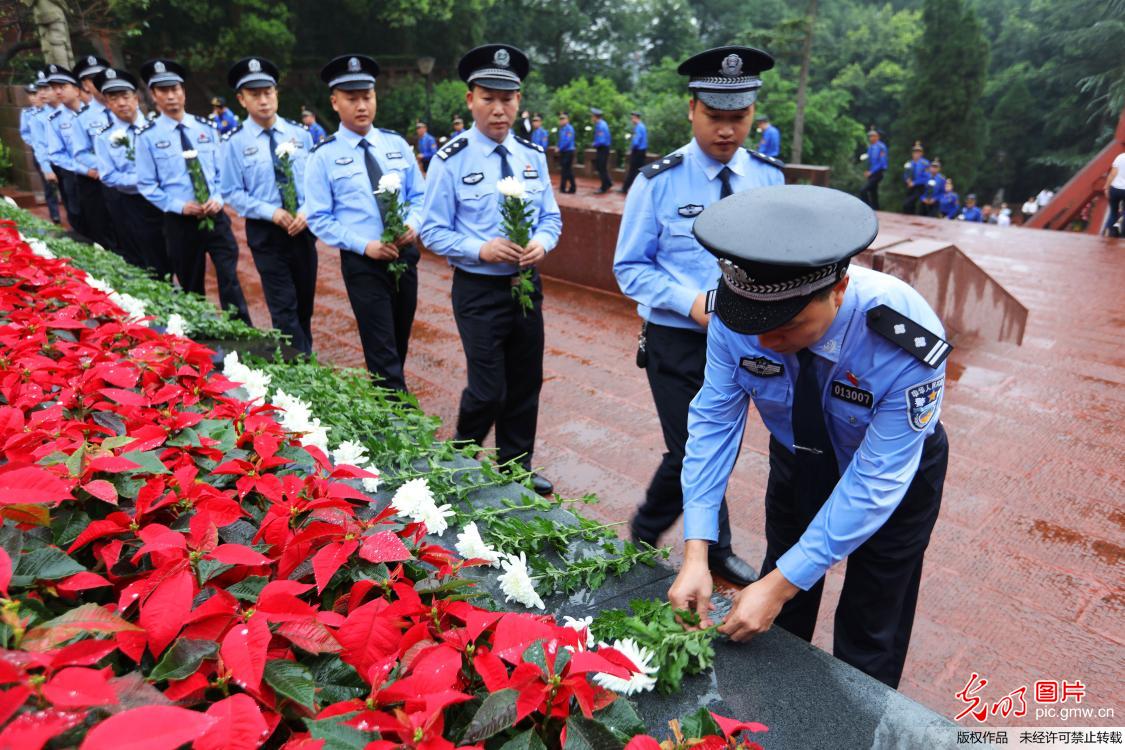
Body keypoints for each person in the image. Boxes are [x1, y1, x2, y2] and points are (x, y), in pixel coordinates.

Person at [668, 184, 951, 690]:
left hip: (892, 469)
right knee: (777, 615)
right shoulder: (737, 317)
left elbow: (874, 480)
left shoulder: (904, 337)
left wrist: (778, 585)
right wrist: (696, 551)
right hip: (799, 456)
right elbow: (714, 422)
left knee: (872, 620)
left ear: (837, 290)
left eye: (787, 326)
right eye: (752, 325)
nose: (763, 342)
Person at [614, 44, 784, 587]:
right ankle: (710, 548)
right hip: (678, 338)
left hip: (748, 341)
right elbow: (629, 268)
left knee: (716, 445)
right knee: (695, 445)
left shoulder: (768, 179)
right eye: (716, 116)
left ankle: (649, 523)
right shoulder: (657, 181)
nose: (728, 130)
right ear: (692, 109)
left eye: (739, 117)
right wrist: (690, 302)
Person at [420, 43, 562, 496]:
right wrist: (481, 249)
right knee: (488, 389)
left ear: (519, 101)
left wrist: (540, 243)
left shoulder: (531, 157)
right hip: (478, 290)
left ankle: (515, 468)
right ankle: (460, 461)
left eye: (507, 99)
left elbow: (551, 218)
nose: (498, 110)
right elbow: (432, 231)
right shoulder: (451, 159)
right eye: (488, 98)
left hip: (526, 285)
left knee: (525, 382)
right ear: (470, 100)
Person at [304, 54, 425, 391]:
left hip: (404, 258)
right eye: (351, 98)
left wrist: (413, 224)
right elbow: (318, 218)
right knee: (381, 348)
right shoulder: (323, 156)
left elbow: (420, 196)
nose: (361, 105)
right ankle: (400, 424)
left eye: (367, 97)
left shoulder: (396, 144)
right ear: (335, 102)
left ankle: (385, 403)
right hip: (363, 264)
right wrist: (364, 245)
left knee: (399, 341)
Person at [135, 58, 252, 325]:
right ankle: (201, 334)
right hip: (181, 221)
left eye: (175, 89)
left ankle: (243, 328)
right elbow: (147, 184)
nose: (171, 96)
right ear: (154, 95)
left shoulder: (206, 128)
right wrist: (178, 206)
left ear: (183, 92)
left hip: (215, 216)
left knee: (229, 276)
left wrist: (218, 198)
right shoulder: (147, 137)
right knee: (191, 283)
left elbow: (223, 172)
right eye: (164, 91)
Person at [221, 57, 318, 355]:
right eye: (254, 94)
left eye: (268, 92)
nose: (263, 101)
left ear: (276, 93)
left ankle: (304, 358)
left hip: (302, 229)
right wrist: (271, 211)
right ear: (241, 99)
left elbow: (317, 183)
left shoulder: (300, 135)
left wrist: (307, 210)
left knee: (304, 305)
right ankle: (300, 369)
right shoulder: (234, 143)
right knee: (283, 307)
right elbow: (231, 192)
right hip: (267, 234)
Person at [92, 68, 171, 277]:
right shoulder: (104, 137)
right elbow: (108, 175)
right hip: (135, 204)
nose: (121, 103)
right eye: (113, 98)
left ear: (135, 98)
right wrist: (144, 181)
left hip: (166, 201)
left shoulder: (158, 128)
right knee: (148, 258)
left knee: (177, 252)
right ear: (107, 103)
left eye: (125, 96)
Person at [43, 64, 88, 236]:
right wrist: (79, 167)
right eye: (54, 88)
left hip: (101, 175)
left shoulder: (92, 114)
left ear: (76, 89)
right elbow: (55, 153)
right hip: (73, 174)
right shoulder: (54, 119)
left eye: (62, 87)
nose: (58, 92)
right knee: (77, 215)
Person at [19, 78, 62, 224]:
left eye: (35, 93)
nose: (33, 97)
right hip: (40, 153)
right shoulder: (28, 113)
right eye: (30, 94)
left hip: (57, 153)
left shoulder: (54, 111)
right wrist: (35, 143)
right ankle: (55, 214)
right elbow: (25, 132)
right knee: (48, 186)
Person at [858, 127, 887, 210]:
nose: (871, 138)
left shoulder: (881, 147)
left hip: (878, 173)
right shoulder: (870, 147)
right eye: (870, 136)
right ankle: (876, 209)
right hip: (871, 172)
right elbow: (869, 161)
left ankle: (866, 208)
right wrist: (867, 170)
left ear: (877, 137)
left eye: (873, 136)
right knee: (873, 192)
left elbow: (882, 163)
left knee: (863, 190)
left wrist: (871, 172)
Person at [620, 110, 648, 194]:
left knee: (632, 171)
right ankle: (638, 189)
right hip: (642, 151)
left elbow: (636, 141)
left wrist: (631, 148)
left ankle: (625, 188)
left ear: (636, 118)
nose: (632, 120)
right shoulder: (641, 126)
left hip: (638, 152)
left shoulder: (639, 127)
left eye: (632, 118)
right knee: (640, 171)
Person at [901, 142, 929, 215]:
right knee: (909, 205)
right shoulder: (909, 163)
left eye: (918, 152)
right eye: (915, 152)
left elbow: (926, 177)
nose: (916, 154)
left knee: (909, 203)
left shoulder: (925, 163)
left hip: (920, 187)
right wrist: (907, 180)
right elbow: (905, 174)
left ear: (921, 153)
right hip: (910, 186)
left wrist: (915, 183)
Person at [591, 107, 613, 193]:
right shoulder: (602, 124)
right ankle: (608, 182)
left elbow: (602, 140)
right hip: (603, 148)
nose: (591, 118)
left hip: (602, 148)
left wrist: (594, 144)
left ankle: (604, 187)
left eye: (592, 116)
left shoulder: (601, 125)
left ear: (595, 117)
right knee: (602, 167)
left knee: (601, 167)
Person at [1104, 149, 1125, 238]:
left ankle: (1112, 233)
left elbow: (1112, 174)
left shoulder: (1120, 157)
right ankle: (1123, 235)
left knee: (1113, 212)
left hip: (1115, 189)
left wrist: (1106, 187)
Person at [556, 111, 576, 194]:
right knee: (566, 170)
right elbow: (560, 140)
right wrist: (558, 146)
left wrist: (560, 148)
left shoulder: (569, 129)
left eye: (563, 118)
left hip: (568, 151)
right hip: (563, 151)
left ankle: (564, 188)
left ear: (567, 119)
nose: (561, 120)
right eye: (560, 119)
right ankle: (570, 187)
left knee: (566, 170)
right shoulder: (562, 129)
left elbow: (567, 141)